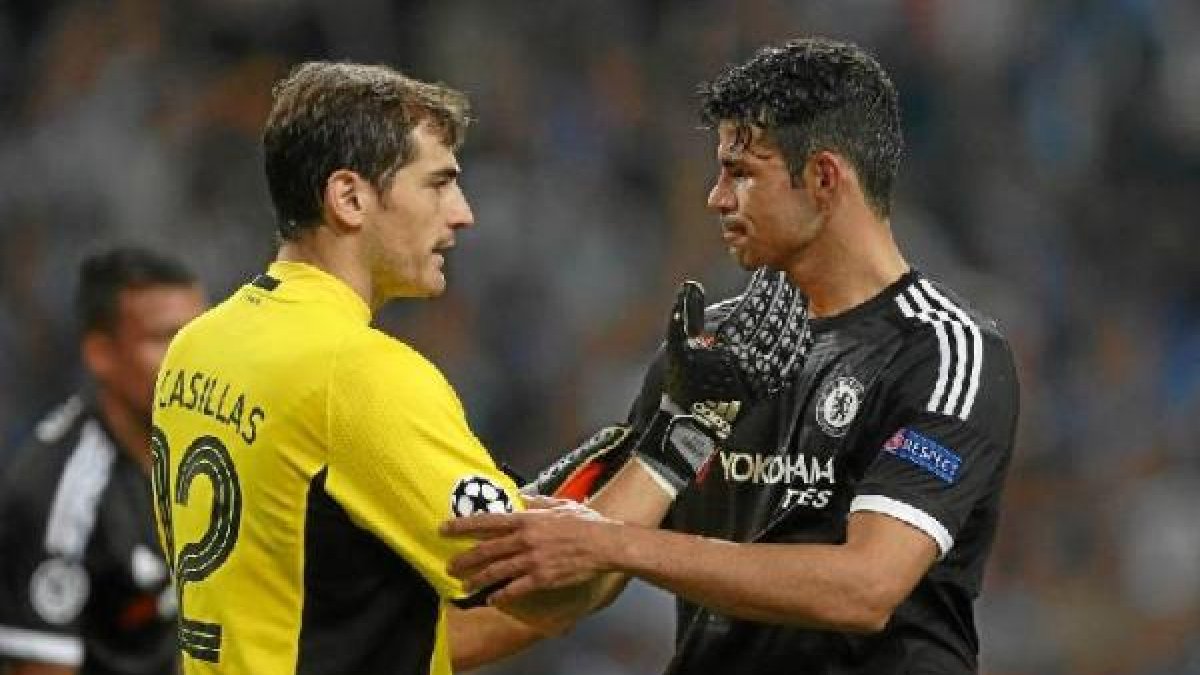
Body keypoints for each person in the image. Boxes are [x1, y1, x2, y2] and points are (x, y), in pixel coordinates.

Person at [148, 61, 802, 675]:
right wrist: (676, 446)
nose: (462, 213)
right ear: (349, 197)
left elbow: (414, 630)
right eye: (437, 182)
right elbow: (559, 590)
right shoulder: (359, 376)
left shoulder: (200, 345)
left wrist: (607, 472)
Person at [444, 37, 1020, 675]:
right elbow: (583, 578)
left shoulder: (944, 351)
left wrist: (617, 546)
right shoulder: (710, 353)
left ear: (824, 178)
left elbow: (867, 587)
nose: (716, 198)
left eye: (741, 172)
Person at [0, 248, 207, 675]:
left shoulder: (218, 455)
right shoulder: (57, 489)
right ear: (101, 354)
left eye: (199, 334)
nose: (190, 356)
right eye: (163, 337)